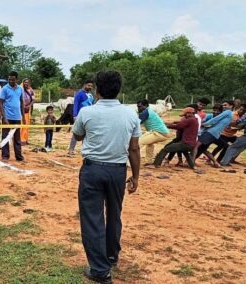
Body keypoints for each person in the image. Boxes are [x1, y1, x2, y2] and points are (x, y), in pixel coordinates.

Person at [71, 70, 141, 284]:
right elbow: (134, 149)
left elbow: (77, 135)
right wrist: (136, 177)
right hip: (118, 171)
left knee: (92, 218)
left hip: (92, 170)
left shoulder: (87, 112)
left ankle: (100, 270)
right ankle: (111, 255)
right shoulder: (131, 114)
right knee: (114, 213)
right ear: (119, 89)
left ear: (97, 90)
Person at [193, 101, 233, 167]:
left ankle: (192, 161)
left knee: (197, 146)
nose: (216, 112)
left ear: (231, 106)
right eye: (214, 110)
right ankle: (215, 162)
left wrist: (203, 124)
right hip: (211, 134)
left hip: (211, 133)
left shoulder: (227, 113)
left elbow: (215, 120)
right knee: (202, 148)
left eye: (225, 105)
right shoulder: (211, 115)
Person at [0, 71, 24, 161]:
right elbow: (1, 103)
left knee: (17, 138)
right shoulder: (4, 89)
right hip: (7, 117)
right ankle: (5, 156)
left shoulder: (20, 89)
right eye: (9, 79)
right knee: (6, 137)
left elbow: (21, 102)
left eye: (13, 80)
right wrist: (4, 117)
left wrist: (23, 117)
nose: (10, 81)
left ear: (16, 79)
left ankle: (19, 156)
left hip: (17, 117)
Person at [136, 100, 170, 164]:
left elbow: (137, 124)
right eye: (138, 106)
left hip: (159, 133)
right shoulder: (149, 111)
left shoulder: (145, 112)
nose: (139, 108)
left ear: (145, 106)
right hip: (161, 132)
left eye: (140, 106)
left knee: (138, 143)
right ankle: (148, 161)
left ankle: (129, 162)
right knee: (149, 144)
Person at [69, 79, 94, 155]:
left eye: (91, 86)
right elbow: (75, 104)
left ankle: (85, 150)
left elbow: (92, 105)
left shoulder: (91, 95)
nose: (90, 87)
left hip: (89, 117)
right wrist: (75, 115)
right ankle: (71, 150)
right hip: (80, 116)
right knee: (76, 133)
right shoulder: (79, 94)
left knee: (87, 134)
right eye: (88, 85)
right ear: (84, 85)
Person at [20, 78, 35, 146]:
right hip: (20, 110)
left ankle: (25, 139)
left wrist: (29, 105)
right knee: (21, 125)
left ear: (29, 83)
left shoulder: (31, 90)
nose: (26, 83)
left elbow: (33, 100)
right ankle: (20, 140)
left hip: (27, 110)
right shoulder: (20, 89)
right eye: (25, 82)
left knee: (26, 125)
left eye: (27, 82)